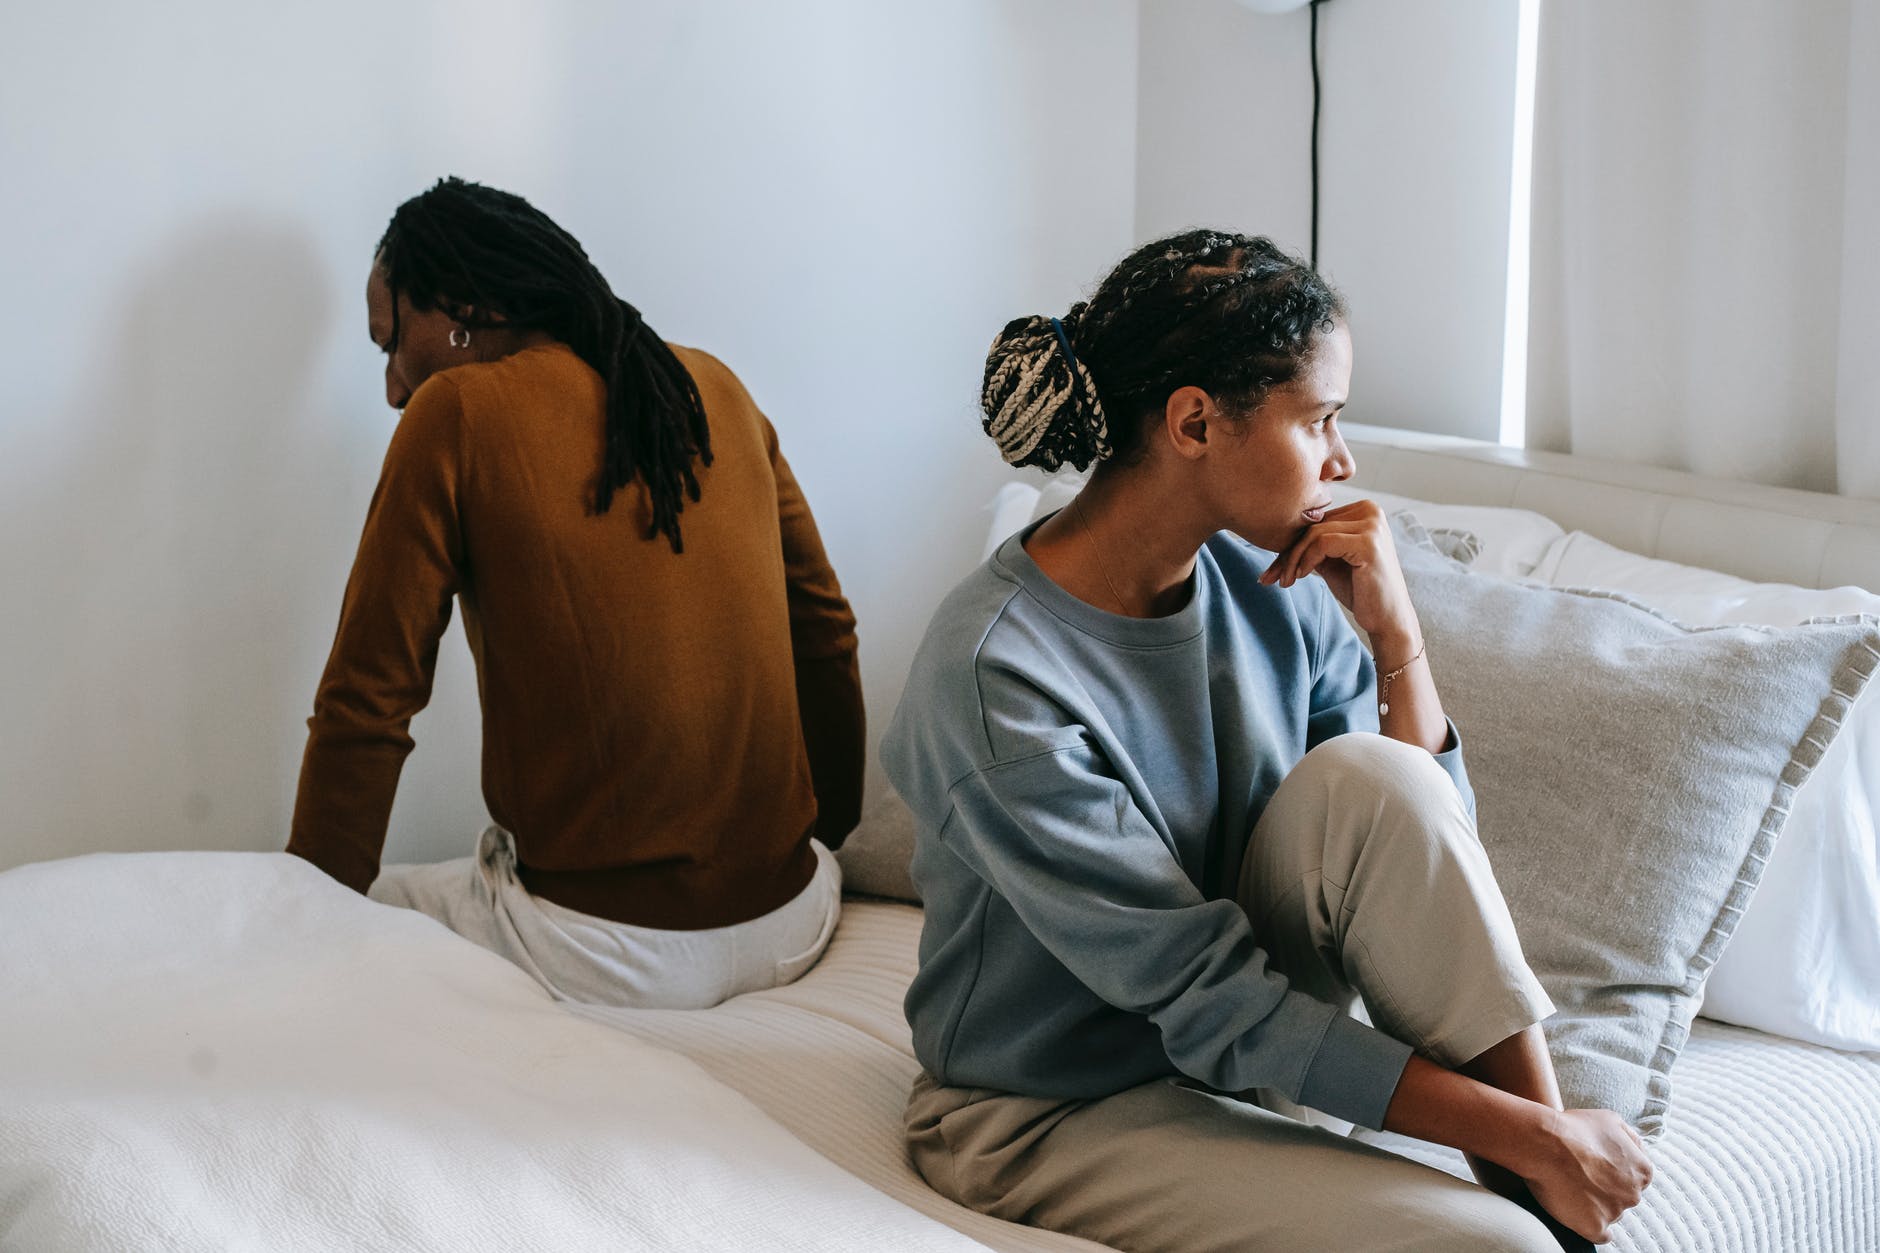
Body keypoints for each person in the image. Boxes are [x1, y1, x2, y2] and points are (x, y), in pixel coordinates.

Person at [881, 229, 1651, 1251]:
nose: (1342, 459)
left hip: (1243, 1054)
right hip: (1052, 1108)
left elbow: (1426, 872)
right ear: (1195, 421)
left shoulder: (1270, 586)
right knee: (1491, 1248)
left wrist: (1395, 639)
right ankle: (1544, 1172)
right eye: (1320, 418)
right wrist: (1538, 1131)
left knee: (1375, 775)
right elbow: (1206, 994)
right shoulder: (993, 672)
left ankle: (1543, 1176)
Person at [287, 177, 863, 1010]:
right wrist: (821, 841)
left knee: (370, 908)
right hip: (798, 920)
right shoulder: (719, 391)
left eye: (389, 342)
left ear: (454, 305)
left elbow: (367, 705)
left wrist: (294, 929)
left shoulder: (456, 412)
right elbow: (826, 634)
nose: (390, 386)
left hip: (607, 955)